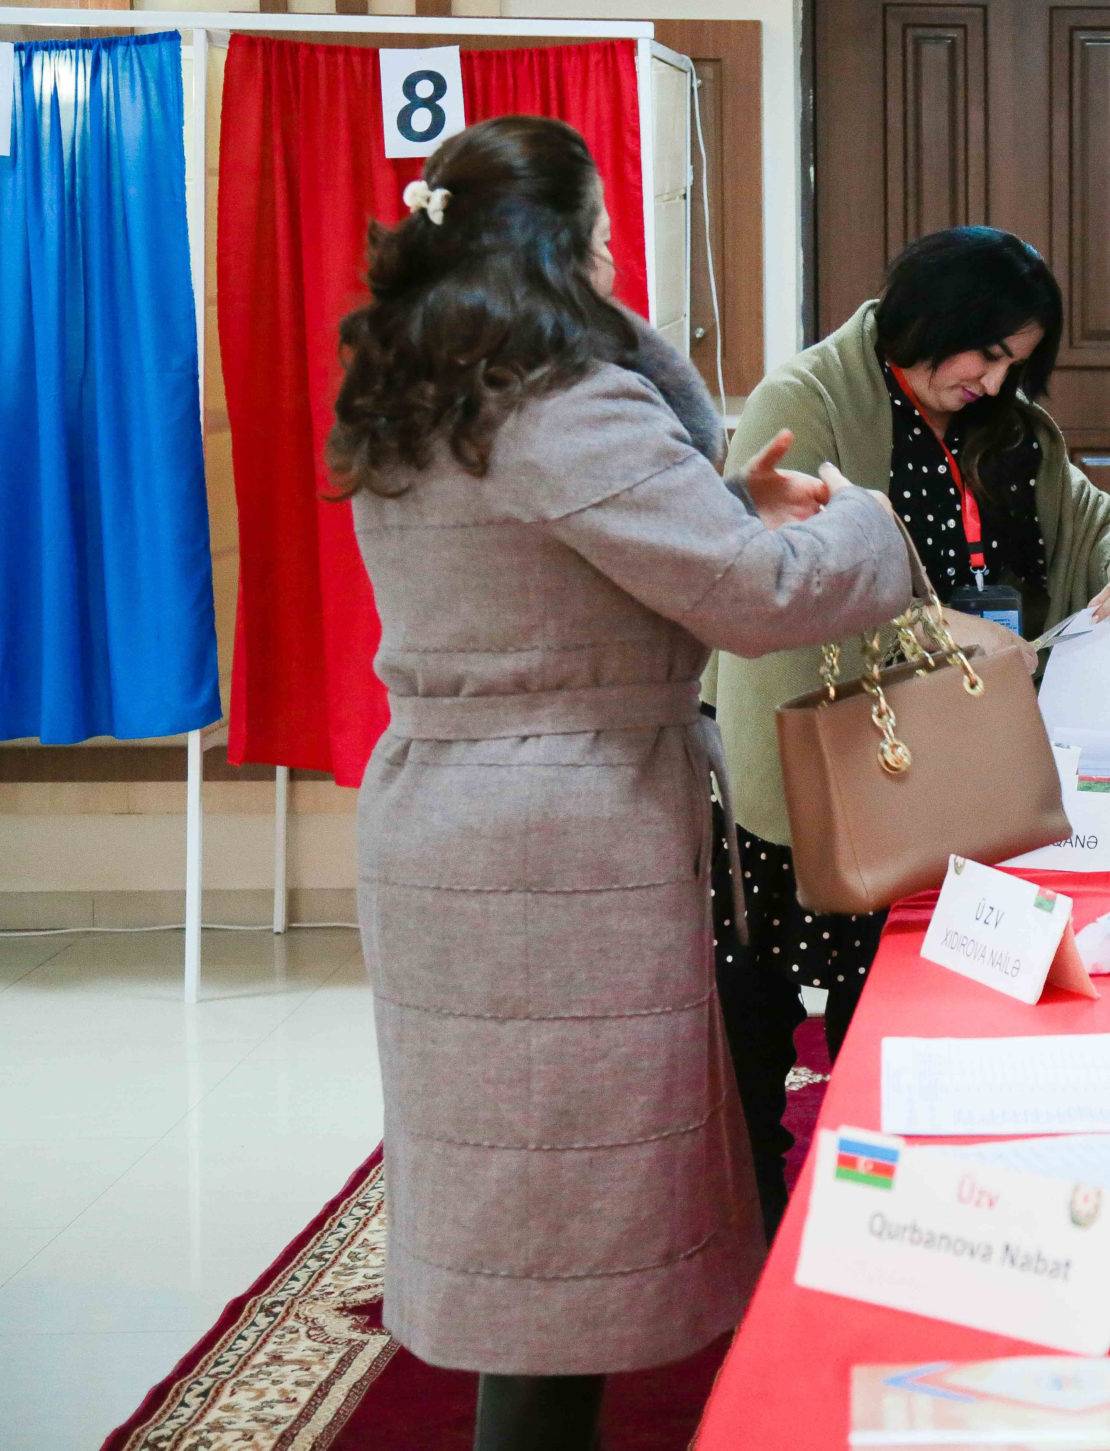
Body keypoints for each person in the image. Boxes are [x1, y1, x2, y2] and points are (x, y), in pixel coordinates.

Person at [330, 116, 916, 1446]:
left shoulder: (427, 373)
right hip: (557, 832)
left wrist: (709, 497)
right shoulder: (557, 391)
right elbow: (756, 594)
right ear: (573, 237)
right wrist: (860, 521)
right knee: (555, 1241)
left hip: (459, 811)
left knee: (527, 1227)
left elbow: (555, 558)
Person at [711, 225, 1110, 1229]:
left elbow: (1090, 516)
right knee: (760, 1016)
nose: (998, 381)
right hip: (826, 763)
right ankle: (750, 1223)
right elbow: (760, 577)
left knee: (916, 1008)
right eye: (988, 353)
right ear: (933, 323)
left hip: (948, 759)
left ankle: (907, 1210)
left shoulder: (998, 420)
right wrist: (941, 626)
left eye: (1016, 363)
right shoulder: (809, 398)